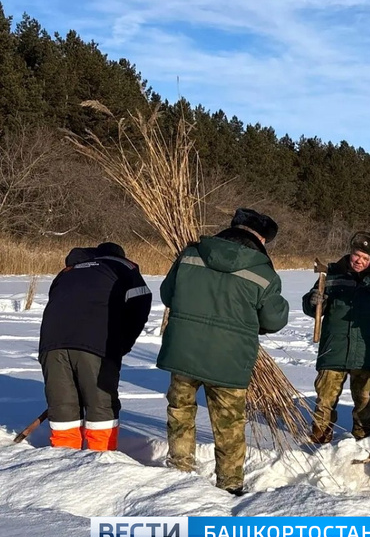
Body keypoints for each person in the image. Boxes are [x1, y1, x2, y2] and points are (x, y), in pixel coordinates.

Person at [156, 208, 289, 495]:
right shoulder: (263, 273)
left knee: (180, 411)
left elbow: (168, 294)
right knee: (228, 424)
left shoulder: (190, 254)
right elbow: (274, 320)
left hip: (183, 350)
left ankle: (180, 472)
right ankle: (230, 486)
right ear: (262, 239)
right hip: (229, 359)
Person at [37, 242, 152, 450]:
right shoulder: (125, 268)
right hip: (95, 345)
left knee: (63, 407)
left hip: (51, 345)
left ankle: (63, 458)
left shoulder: (68, 271)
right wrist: (120, 346)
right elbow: (139, 309)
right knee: (101, 407)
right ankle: (101, 459)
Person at [304, 231, 370, 443]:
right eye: (356, 255)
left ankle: (362, 439)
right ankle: (319, 439)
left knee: (364, 401)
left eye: (365, 258)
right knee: (325, 399)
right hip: (334, 349)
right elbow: (311, 307)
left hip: (366, 353)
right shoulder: (331, 275)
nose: (359, 260)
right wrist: (314, 301)